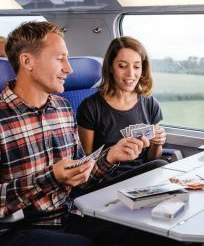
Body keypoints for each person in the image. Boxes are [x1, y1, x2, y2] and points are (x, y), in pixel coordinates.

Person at [0, 21, 181, 246]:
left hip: (71, 214)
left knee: (160, 232)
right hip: (21, 228)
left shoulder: (62, 108)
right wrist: (51, 177)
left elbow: (81, 177)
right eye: (60, 59)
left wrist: (111, 157)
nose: (69, 68)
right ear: (27, 61)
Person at [77, 36, 167, 180]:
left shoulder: (150, 104)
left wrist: (157, 143)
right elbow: (86, 161)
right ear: (111, 67)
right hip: (108, 180)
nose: (131, 74)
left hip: (144, 176)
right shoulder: (90, 107)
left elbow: (153, 158)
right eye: (122, 66)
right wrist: (112, 153)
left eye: (136, 66)